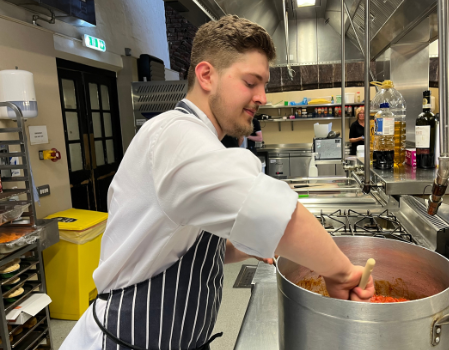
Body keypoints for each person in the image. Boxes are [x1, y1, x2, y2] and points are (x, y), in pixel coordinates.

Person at [60, 15, 374, 350]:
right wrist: (341, 272)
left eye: (263, 85)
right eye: (251, 82)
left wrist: (248, 245)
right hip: (128, 340)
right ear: (207, 75)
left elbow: (186, 248)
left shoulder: (196, 139)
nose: (262, 97)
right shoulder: (177, 135)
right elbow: (279, 215)